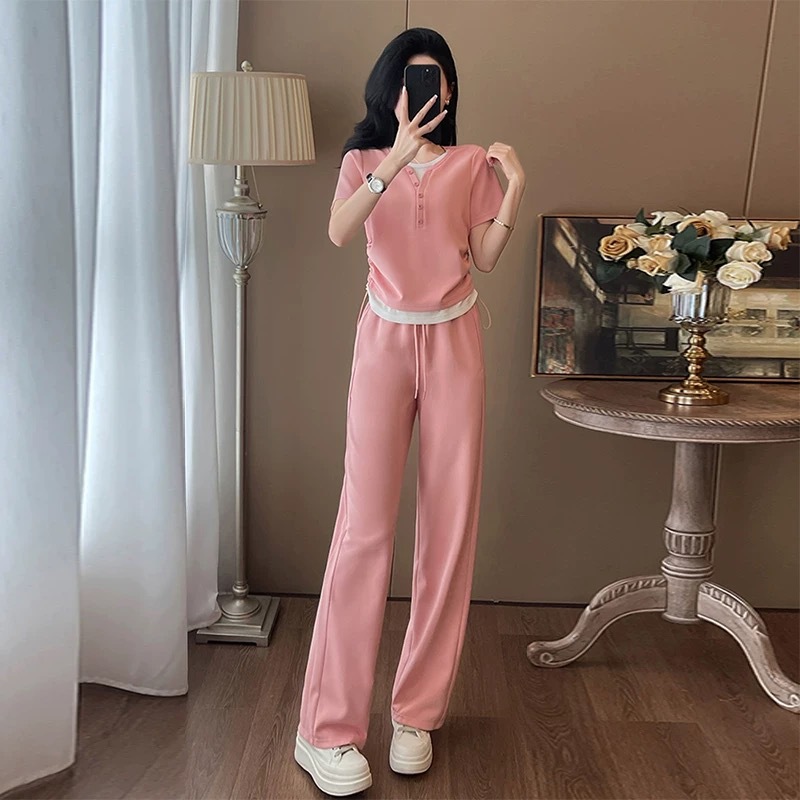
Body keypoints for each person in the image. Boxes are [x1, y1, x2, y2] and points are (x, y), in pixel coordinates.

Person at [294, 27, 525, 797]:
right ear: (388, 88)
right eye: (411, 77)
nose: (425, 89)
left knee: (448, 532)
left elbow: (484, 257)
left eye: (437, 78)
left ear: (450, 91)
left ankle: (416, 715)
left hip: (457, 341)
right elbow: (339, 231)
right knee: (364, 530)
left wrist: (514, 188)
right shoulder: (363, 161)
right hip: (385, 344)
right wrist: (391, 161)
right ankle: (325, 729)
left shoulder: (470, 164)